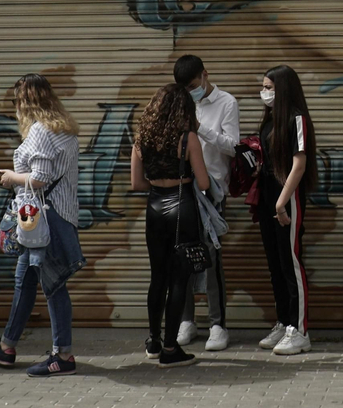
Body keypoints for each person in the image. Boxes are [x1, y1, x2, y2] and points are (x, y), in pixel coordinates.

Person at [0, 74, 86, 377]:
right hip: (50, 217)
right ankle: (7, 346)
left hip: (43, 220)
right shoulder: (65, 130)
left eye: (17, 100)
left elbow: (39, 179)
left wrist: (11, 177)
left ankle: (63, 355)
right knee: (24, 280)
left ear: (24, 102)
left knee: (53, 285)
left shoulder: (40, 131)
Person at [131, 83, 211, 368]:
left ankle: (152, 341)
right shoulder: (188, 138)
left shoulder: (142, 137)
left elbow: (136, 183)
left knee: (158, 277)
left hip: (154, 207)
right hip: (182, 206)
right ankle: (170, 347)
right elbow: (203, 183)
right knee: (179, 279)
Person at [173, 54, 240, 353]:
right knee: (181, 258)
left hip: (212, 192)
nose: (190, 92)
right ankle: (187, 319)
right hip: (182, 189)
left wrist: (199, 127)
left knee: (211, 260)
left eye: (192, 85)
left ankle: (218, 324)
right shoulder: (181, 102)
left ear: (204, 75)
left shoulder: (227, 103)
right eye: (184, 89)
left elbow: (233, 146)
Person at [255, 65, 319, 356]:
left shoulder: (297, 119)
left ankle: (299, 330)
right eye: (264, 87)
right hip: (267, 194)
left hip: (286, 196)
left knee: (291, 261)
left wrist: (282, 202)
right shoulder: (270, 119)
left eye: (270, 87)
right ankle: (284, 321)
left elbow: (299, 163)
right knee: (275, 264)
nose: (265, 92)